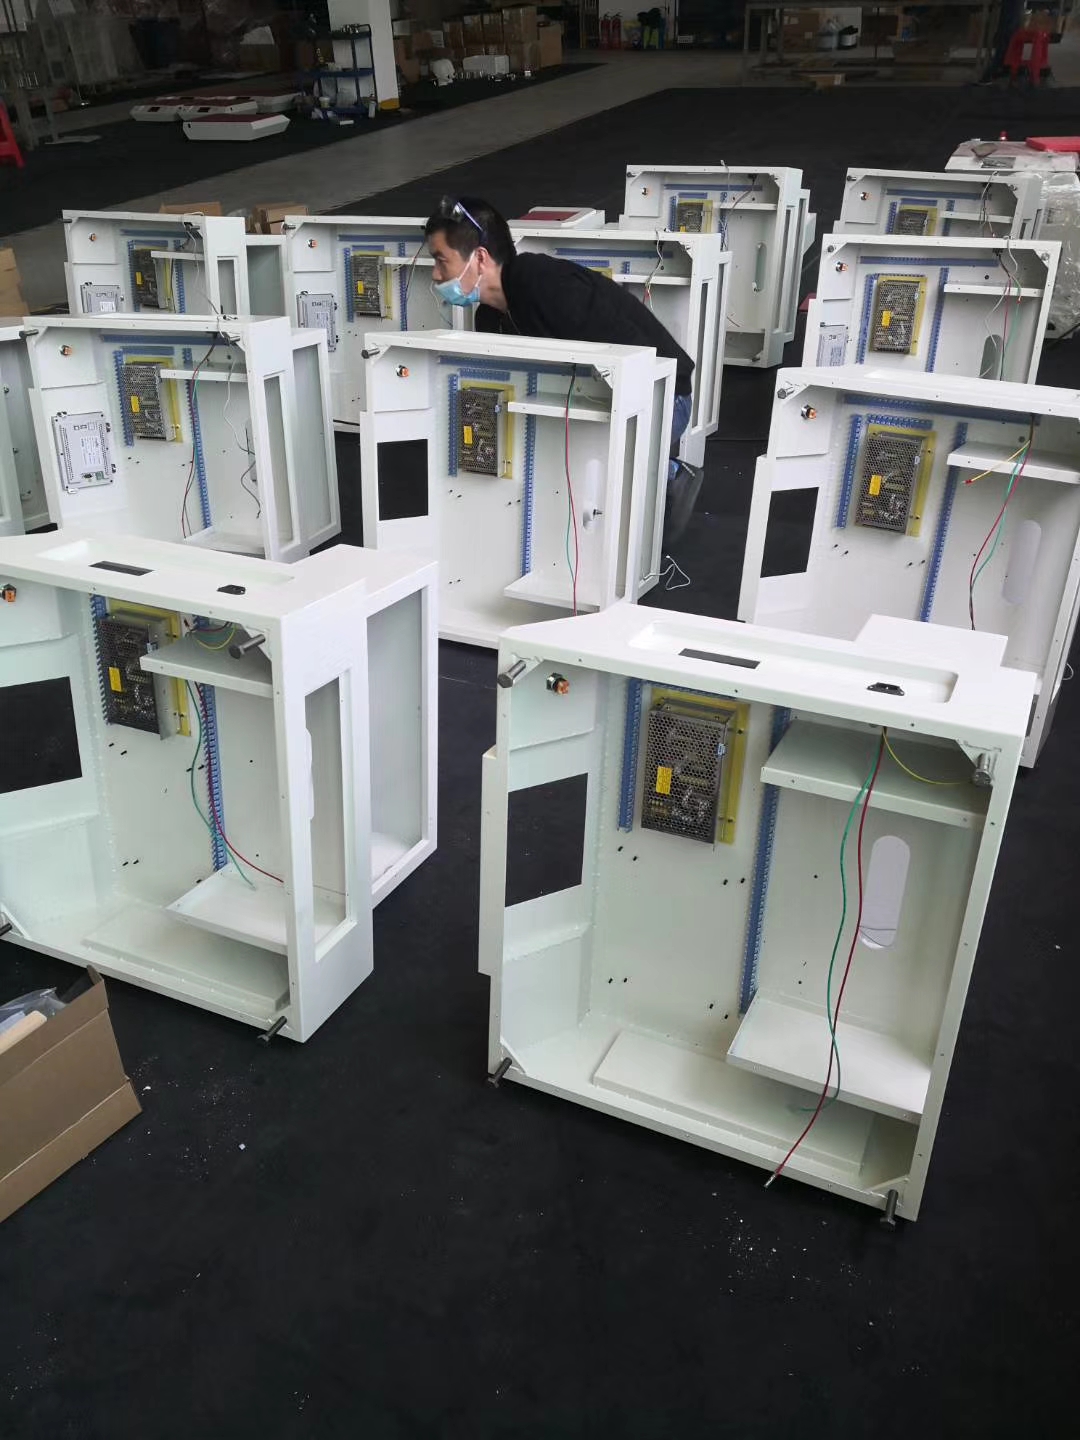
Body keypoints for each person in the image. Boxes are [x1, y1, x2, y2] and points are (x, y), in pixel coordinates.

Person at [423, 195, 703, 548]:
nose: (436, 274)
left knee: (589, 478)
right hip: (593, 400)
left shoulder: (546, 284)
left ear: (479, 257)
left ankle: (667, 473)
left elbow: (636, 363)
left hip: (663, 400)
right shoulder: (490, 319)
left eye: (441, 260)